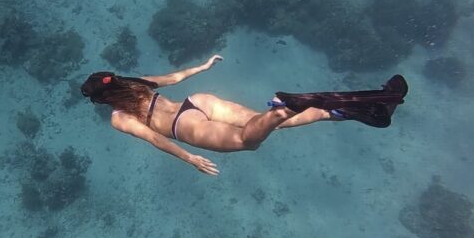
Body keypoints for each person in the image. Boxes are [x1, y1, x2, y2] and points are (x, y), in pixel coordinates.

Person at [81, 55, 407, 176]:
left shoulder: (119, 117)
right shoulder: (135, 83)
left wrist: (190, 158)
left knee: (248, 140)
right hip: (196, 102)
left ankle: (289, 104)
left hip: (184, 126)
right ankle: (359, 111)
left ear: (101, 100)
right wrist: (205, 66)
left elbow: (153, 138)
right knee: (268, 122)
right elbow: (175, 78)